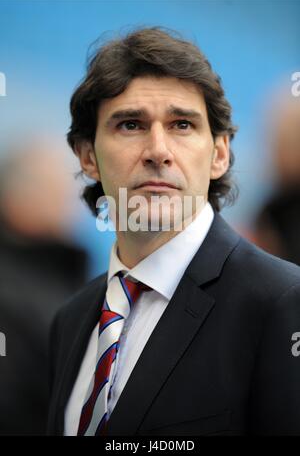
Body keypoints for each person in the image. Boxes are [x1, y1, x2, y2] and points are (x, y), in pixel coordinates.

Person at [47, 27, 300, 436]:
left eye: (182, 125)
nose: (158, 150)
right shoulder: (70, 319)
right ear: (88, 157)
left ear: (219, 154)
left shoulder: (281, 303)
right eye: (130, 125)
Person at [0, 137, 88, 435]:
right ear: (13, 198)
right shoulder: (11, 292)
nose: (69, 206)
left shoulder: (64, 279)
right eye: (52, 191)